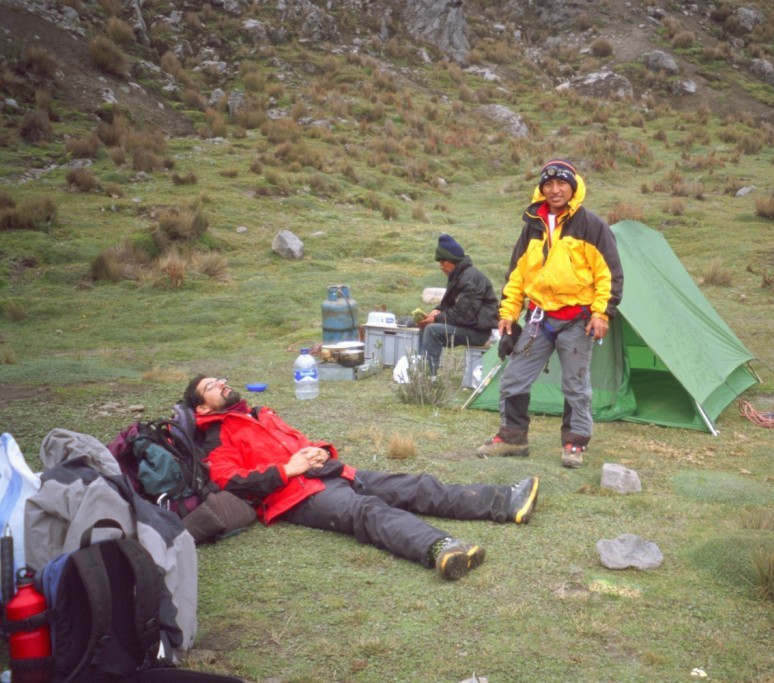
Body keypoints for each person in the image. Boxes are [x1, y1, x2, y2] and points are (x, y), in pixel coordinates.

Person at [183, 375, 539, 580]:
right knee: (367, 512)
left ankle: (505, 502)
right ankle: (442, 549)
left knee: (414, 486)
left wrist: (320, 451)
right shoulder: (216, 436)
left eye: (222, 380)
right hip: (296, 497)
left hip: (330, 473)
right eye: (213, 386)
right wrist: (288, 469)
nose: (223, 384)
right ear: (201, 407)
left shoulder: (260, 414)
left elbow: (299, 443)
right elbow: (229, 481)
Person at [477, 159, 623, 469]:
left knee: (575, 384)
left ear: (573, 187)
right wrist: (508, 312)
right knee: (514, 377)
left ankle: (574, 443)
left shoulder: (591, 225)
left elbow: (608, 274)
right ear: (541, 189)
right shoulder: (533, 224)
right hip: (538, 319)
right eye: (548, 184)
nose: (554, 190)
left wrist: (602, 313)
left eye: (561, 184)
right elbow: (517, 274)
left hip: (577, 321)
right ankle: (513, 438)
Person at [418, 234, 499, 375]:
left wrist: (437, 319)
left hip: (478, 332)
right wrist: (436, 311)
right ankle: (421, 370)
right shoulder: (458, 276)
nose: (441, 267)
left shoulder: (470, 279)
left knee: (432, 330)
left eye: (443, 262)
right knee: (425, 327)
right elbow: (448, 304)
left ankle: (428, 379)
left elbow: (464, 315)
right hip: (467, 327)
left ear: (452, 260)